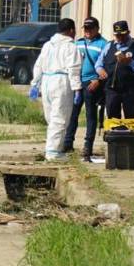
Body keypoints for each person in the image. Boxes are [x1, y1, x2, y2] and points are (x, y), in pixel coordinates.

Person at [28, 18, 81, 161]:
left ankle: (54, 148)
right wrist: (77, 88)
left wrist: (35, 84)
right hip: (61, 82)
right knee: (60, 118)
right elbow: (74, 69)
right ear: (71, 30)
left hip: (46, 81)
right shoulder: (71, 47)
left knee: (51, 118)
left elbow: (39, 65)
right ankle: (53, 152)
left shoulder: (47, 45)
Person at [61, 17, 109, 161]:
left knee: (90, 116)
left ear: (97, 29)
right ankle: (68, 143)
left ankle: (88, 147)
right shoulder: (78, 43)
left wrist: (98, 81)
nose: (87, 31)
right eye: (85, 28)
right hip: (77, 83)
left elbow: (106, 67)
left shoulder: (103, 44)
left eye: (90, 28)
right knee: (73, 114)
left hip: (91, 83)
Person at [95, 20, 134, 120]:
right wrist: (100, 70)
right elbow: (99, 62)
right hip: (111, 89)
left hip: (129, 90)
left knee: (130, 117)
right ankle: (114, 135)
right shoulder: (109, 45)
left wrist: (129, 62)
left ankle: (130, 135)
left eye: (122, 35)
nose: (120, 38)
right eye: (117, 35)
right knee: (112, 117)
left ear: (128, 33)